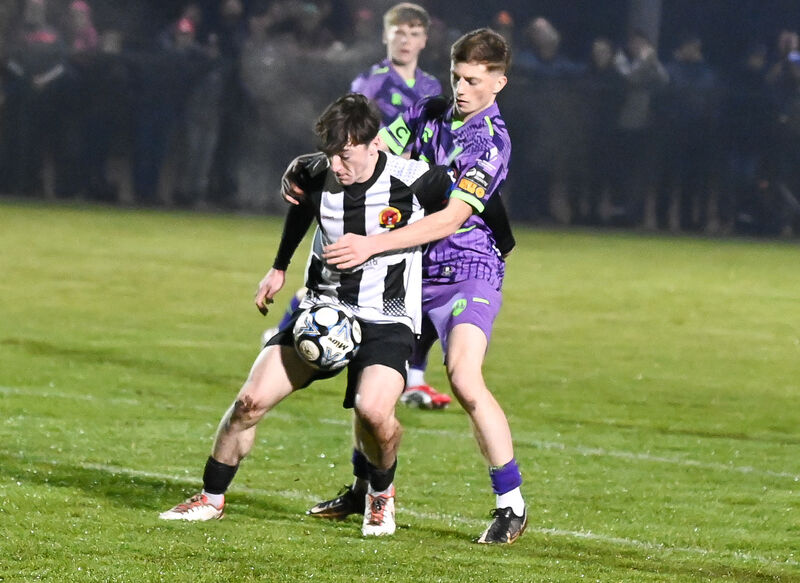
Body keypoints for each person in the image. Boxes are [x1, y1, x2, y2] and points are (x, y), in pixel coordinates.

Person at [159, 93, 456, 537]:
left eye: (346, 154)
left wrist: (495, 252)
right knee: (248, 403)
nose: (336, 164)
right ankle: (211, 498)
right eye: (330, 153)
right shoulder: (313, 171)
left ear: (374, 143)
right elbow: (300, 211)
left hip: (387, 316)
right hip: (323, 312)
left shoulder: (417, 180)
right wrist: (279, 267)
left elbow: (472, 207)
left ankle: (381, 495)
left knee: (373, 412)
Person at [289, 28, 526, 544]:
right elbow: (371, 149)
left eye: (474, 80)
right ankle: (361, 488)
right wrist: (307, 166)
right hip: (411, 266)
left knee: (463, 377)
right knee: (374, 382)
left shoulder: (490, 143)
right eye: (457, 77)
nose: (461, 89)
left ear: (499, 83)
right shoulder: (428, 111)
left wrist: (374, 245)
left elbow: (450, 219)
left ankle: (511, 503)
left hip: (467, 267)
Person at [350, 2, 442, 126]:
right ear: (385, 35)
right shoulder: (369, 81)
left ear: (424, 40)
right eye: (399, 33)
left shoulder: (431, 85)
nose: (405, 41)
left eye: (414, 34)